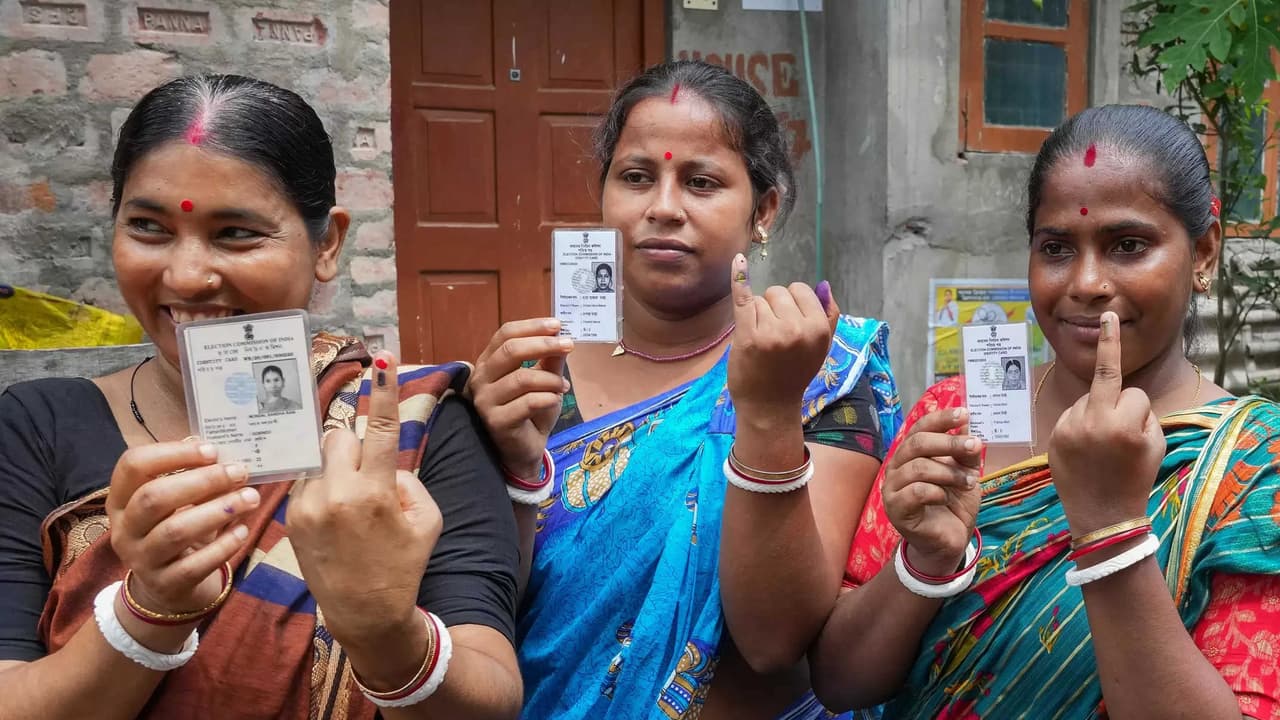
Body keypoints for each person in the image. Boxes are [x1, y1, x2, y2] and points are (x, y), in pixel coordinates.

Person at [0, 75, 522, 720]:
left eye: (237, 233)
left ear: (326, 244)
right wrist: (149, 611)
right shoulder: (35, 427)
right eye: (147, 227)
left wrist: (386, 630)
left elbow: (492, 697)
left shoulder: (413, 424)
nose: (187, 276)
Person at [810, 105, 1280, 718]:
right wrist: (925, 564)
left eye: (1128, 246)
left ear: (1203, 254)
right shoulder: (957, 414)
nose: (1085, 281)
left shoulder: (1254, 465)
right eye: (1056, 247)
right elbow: (840, 683)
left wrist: (1110, 529)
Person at [468, 60, 901, 720]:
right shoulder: (535, 376)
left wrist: (767, 412)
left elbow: (775, 641)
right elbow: (484, 613)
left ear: (765, 209)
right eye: (637, 177)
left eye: (700, 182)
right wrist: (515, 466)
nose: (662, 208)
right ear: (604, 194)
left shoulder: (819, 370)